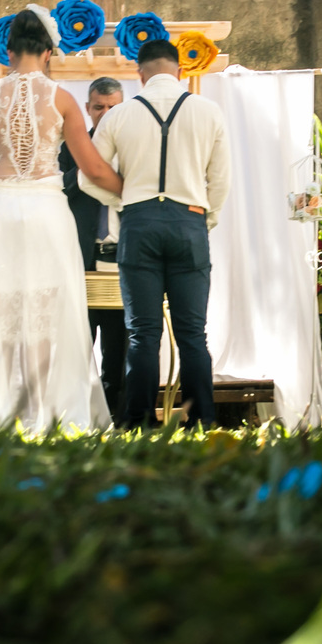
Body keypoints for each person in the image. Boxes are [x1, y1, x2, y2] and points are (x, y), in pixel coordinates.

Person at [0, 5, 123, 433]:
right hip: (46, 212)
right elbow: (93, 168)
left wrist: (1, 186)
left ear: (9, 51)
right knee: (45, 310)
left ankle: (0, 414)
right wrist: (131, 191)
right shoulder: (62, 99)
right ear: (48, 52)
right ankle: (42, 412)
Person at [79, 38, 231, 429]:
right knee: (192, 334)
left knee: (142, 333)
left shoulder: (119, 115)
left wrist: (126, 200)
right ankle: (202, 421)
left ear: (140, 74)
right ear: (179, 71)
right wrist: (204, 219)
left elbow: (88, 176)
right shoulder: (208, 111)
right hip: (189, 222)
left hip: (138, 223)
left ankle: (138, 422)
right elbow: (220, 181)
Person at [58, 76, 128, 421]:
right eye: (99, 107)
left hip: (121, 262)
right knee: (76, 349)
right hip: (81, 262)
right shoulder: (69, 148)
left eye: (113, 107)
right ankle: (77, 419)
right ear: (87, 109)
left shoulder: (133, 147)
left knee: (120, 353)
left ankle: (117, 422)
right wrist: (89, 166)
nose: (106, 113)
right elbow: (57, 190)